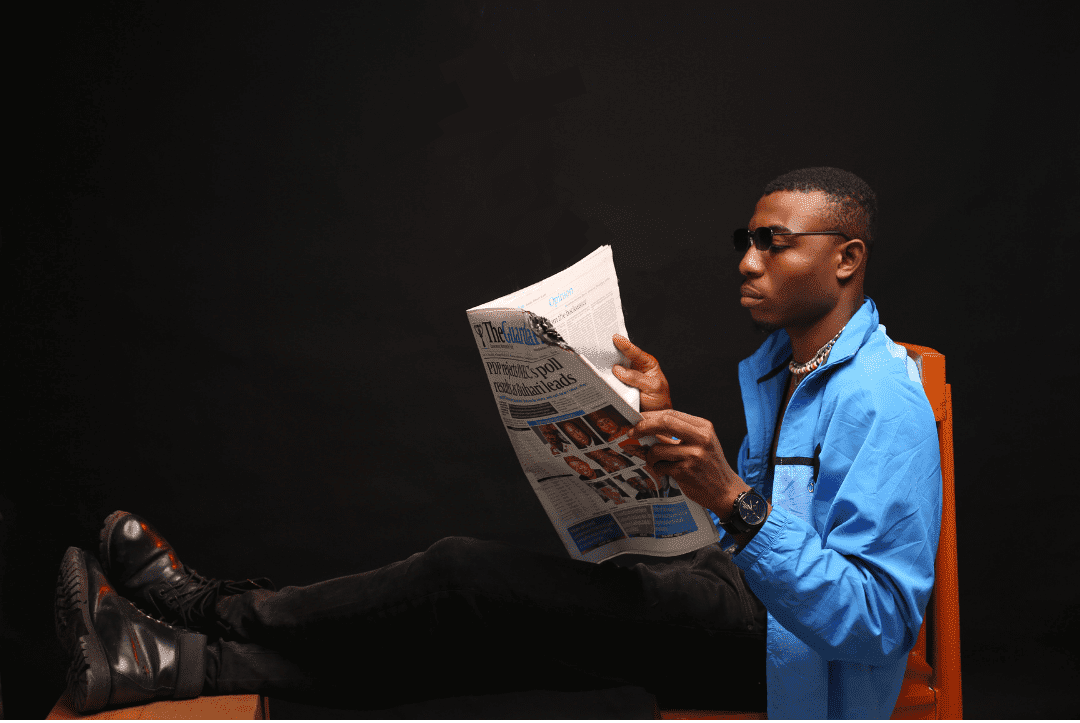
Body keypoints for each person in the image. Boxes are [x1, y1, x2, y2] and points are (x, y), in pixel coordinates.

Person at [54, 167, 942, 719]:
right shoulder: (788, 372)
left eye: (773, 243)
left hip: (793, 673)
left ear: (846, 259)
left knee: (462, 573)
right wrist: (665, 450)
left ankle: (209, 609)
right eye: (744, 242)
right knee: (479, 636)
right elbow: (761, 541)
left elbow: (876, 623)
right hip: (739, 610)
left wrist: (730, 499)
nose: (747, 262)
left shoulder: (883, 401)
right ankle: (173, 663)